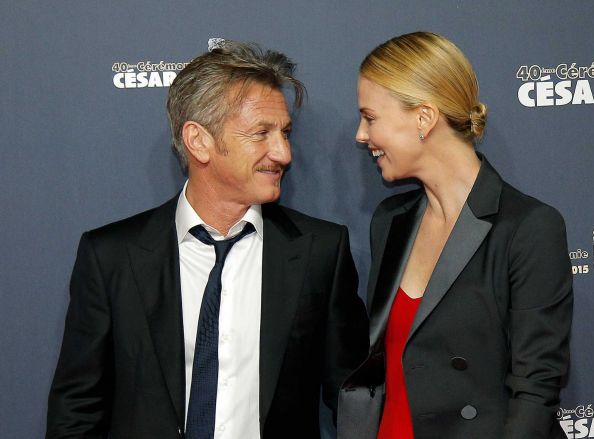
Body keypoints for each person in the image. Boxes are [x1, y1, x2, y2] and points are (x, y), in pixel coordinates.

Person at [47, 40, 368, 439]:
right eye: (261, 133)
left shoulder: (320, 251)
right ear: (199, 141)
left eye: (285, 133)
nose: (283, 153)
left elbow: (353, 403)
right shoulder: (111, 257)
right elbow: (76, 412)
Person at [338, 31, 573, 439]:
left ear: (424, 118)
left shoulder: (528, 228)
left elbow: (535, 394)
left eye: (370, 118)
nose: (361, 135)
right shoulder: (390, 222)